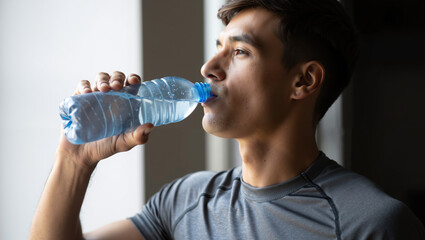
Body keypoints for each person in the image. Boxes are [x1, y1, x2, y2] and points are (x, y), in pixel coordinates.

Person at [30, 0, 425, 239]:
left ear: (302, 81)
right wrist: (74, 161)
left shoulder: (370, 225)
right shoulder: (185, 201)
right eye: (218, 47)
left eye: (240, 53)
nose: (207, 67)